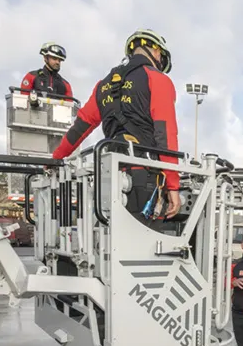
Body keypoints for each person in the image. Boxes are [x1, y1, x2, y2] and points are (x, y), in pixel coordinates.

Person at [52, 29, 181, 221]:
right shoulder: (158, 79)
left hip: (109, 174)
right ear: (156, 51)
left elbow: (79, 129)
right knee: (144, 236)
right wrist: (173, 185)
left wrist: (55, 158)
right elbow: (166, 134)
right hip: (144, 175)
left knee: (109, 232)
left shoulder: (104, 85)